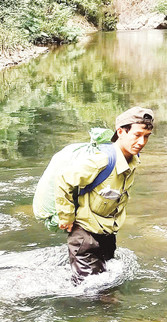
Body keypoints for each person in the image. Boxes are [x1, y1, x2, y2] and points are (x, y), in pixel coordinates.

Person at [55, 107, 155, 285]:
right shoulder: (102, 160)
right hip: (85, 237)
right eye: (137, 135)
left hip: (107, 234)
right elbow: (64, 180)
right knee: (95, 296)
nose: (142, 141)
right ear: (121, 132)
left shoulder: (131, 159)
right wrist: (66, 217)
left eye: (146, 136)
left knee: (106, 283)